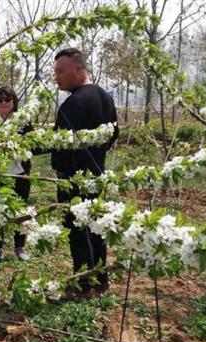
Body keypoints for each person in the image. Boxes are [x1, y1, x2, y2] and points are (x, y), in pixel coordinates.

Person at [51, 48, 119, 298]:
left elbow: (58, 142)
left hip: (74, 180)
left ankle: (82, 285)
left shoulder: (74, 103)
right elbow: (113, 134)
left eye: (60, 71)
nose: (56, 77)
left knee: (79, 231)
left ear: (78, 70)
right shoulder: (106, 97)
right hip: (97, 174)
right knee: (96, 227)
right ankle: (100, 279)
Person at [0, 86, 31, 263]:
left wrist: (17, 147)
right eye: (0, 100)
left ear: (14, 102)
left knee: (19, 212)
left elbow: (32, 146)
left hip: (20, 173)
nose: (4, 103)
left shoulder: (23, 122)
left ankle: (19, 247)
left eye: (7, 99)